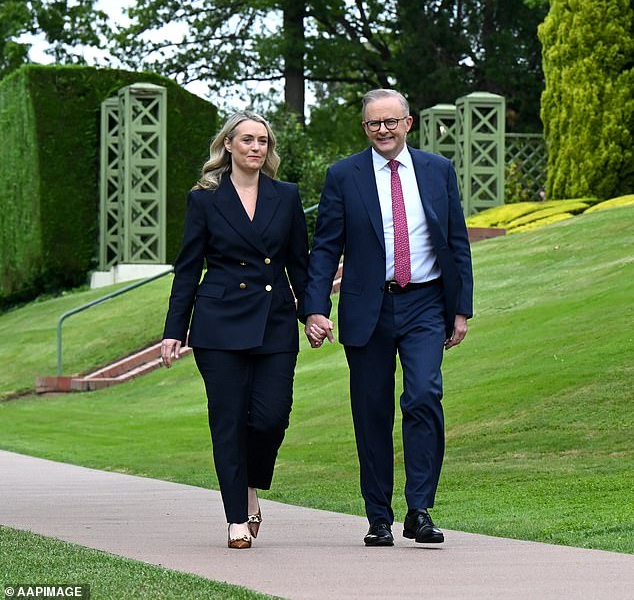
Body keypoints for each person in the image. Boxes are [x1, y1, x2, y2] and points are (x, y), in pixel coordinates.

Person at [304, 89, 473, 547]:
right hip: (368, 308)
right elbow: (325, 248)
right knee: (371, 412)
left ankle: (420, 510)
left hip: (424, 304)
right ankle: (378, 517)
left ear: (408, 123)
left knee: (422, 397)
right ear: (365, 128)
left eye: (390, 122)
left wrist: (461, 308)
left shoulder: (437, 171)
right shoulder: (343, 175)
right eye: (374, 124)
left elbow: (456, 240)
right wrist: (315, 307)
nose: (383, 130)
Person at [161, 111, 309, 550]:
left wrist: (314, 313)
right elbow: (187, 269)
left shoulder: (286, 196)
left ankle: (250, 485)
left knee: (270, 417)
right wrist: (175, 330)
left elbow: (300, 264)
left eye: (262, 141)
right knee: (228, 421)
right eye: (246, 140)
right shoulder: (204, 199)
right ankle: (236, 518)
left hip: (276, 320)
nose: (255, 147)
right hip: (219, 323)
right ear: (228, 145)